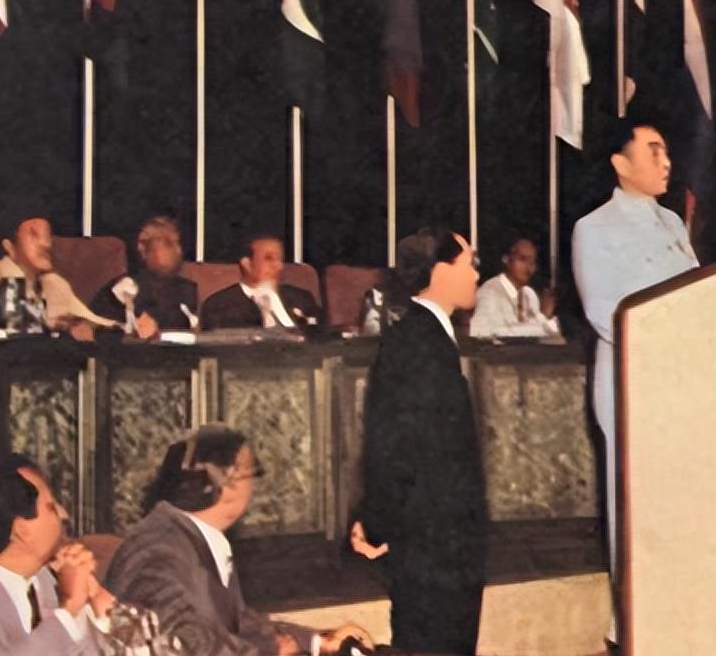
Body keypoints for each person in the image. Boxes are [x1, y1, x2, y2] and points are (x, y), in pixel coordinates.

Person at [571, 119, 699, 643]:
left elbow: (699, 290)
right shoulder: (594, 228)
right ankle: (633, 628)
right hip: (633, 383)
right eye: (653, 152)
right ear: (621, 164)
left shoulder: (673, 222)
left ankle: (681, 618)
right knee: (636, 507)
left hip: (684, 381)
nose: (666, 162)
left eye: (666, 151)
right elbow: (607, 311)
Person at [105, 425, 367, 655]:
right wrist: (268, 651)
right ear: (228, 483)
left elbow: (238, 623)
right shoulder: (157, 547)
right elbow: (176, 641)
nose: (254, 487)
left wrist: (317, 642)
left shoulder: (191, 536)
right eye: (252, 473)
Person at [349, 227, 487, 655]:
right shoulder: (415, 342)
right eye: (469, 263)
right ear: (440, 271)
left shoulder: (426, 336)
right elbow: (393, 447)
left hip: (444, 543)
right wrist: (378, 523)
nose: (477, 274)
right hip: (431, 545)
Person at [0, 452, 171, 655]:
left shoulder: (48, 583)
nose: (64, 513)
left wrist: (97, 600)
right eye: (51, 507)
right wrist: (68, 611)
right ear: (21, 528)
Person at [0, 217, 116, 341]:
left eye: (47, 236)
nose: (46, 244)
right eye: (34, 234)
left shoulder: (54, 284)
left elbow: (94, 321)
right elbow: (12, 335)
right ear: (10, 247)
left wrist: (86, 326)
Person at [90, 216, 198, 336]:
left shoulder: (189, 289)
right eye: (168, 242)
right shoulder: (121, 288)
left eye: (178, 243)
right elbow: (98, 324)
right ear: (142, 247)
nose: (178, 250)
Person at [198, 236, 324, 331]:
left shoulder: (301, 298)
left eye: (280, 260)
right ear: (247, 264)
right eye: (269, 258)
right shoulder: (219, 305)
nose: (278, 266)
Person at [469, 235, 562, 341]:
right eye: (523, 259)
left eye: (532, 263)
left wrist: (543, 319)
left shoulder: (529, 294)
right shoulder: (490, 293)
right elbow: (479, 332)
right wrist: (542, 317)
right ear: (506, 259)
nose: (529, 268)